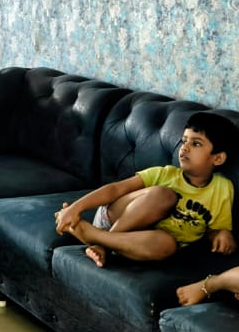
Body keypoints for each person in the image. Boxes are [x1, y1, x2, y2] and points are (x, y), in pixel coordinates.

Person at [54, 112, 236, 267]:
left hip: (140, 243)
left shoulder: (222, 188)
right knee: (163, 195)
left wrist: (222, 234)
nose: (184, 148)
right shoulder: (164, 174)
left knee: (167, 244)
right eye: (184, 141)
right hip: (115, 218)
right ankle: (102, 241)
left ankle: (95, 238)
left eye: (196, 144)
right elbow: (115, 190)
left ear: (218, 158)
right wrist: (75, 208)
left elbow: (215, 228)